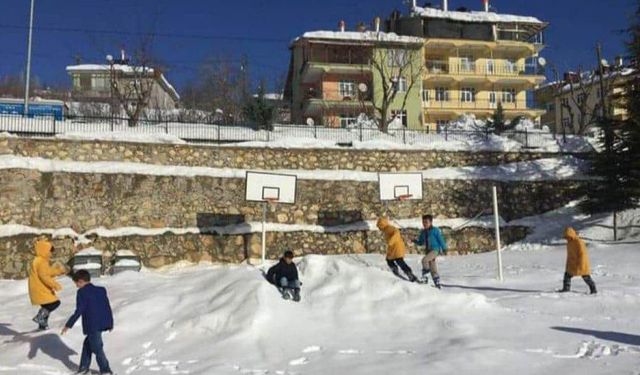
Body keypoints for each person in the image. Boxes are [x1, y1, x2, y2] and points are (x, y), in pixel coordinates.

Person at [61, 270, 114, 375]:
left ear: (81, 281)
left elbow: (79, 310)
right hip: (103, 322)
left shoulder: (82, 292)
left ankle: (106, 370)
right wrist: (110, 322)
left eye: (76, 283)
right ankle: (83, 368)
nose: (76, 286)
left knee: (97, 348)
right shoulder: (101, 290)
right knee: (87, 344)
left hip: (92, 325)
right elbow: (107, 306)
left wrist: (68, 325)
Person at [28, 239, 67, 330]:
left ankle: (43, 325)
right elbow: (44, 276)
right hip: (41, 289)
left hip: (38, 288)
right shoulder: (41, 262)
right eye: (50, 251)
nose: (51, 254)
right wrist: (55, 285)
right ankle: (40, 317)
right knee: (55, 303)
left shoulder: (39, 260)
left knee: (46, 306)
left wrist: (58, 271)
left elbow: (47, 272)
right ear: (44, 250)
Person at [377, 217, 418, 282]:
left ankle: (409, 274)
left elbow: (396, 232)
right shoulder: (386, 230)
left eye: (379, 226)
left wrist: (391, 241)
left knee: (399, 261)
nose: (379, 228)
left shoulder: (389, 228)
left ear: (382, 225)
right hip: (393, 248)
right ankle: (395, 269)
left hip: (397, 247)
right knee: (389, 259)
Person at [559, 227, 597, 294]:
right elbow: (569, 254)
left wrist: (581, 264)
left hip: (581, 263)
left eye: (568, 236)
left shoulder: (578, 242)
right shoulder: (569, 243)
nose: (567, 238)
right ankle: (566, 289)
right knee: (567, 275)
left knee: (586, 276)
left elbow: (583, 254)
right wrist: (568, 263)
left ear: (571, 234)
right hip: (572, 263)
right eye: (566, 237)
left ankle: (593, 289)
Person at [414, 214, 447, 289]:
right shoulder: (423, 232)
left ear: (431, 222)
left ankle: (425, 276)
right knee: (432, 267)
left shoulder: (435, 230)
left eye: (426, 222)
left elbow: (440, 240)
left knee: (424, 260)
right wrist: (415, 241)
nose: (424, 224)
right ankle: (437, 283)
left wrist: (444, 248)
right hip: (428, 251)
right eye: (423, 222)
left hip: (435, 250)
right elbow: (421, 242)